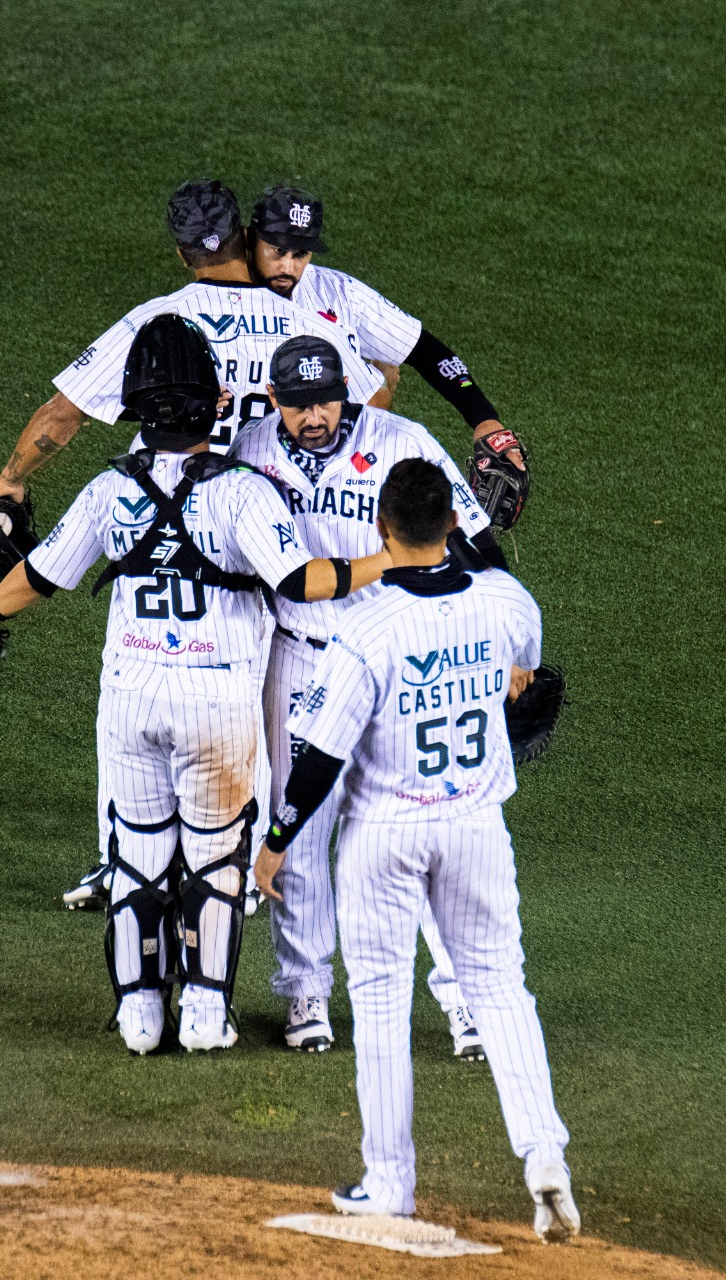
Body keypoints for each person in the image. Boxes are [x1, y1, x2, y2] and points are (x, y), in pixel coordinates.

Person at [0, 315, 390, 1056]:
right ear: (219, 401)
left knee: (136, 857)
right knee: (216, 864)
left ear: (134, 407)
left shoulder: (106, 490)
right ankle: (205, 1016)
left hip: (129, 695)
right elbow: (301, 581)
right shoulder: (244, 493)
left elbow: (38, 576)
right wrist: (390, 561)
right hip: (216, 702)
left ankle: (139, 1018)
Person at [0, 179, 388, 909]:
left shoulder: (161, 316)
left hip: (159, 516)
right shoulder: (296, 319)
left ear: (181, 249)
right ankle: (240, 873)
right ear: (245, 242)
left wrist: (9, 480)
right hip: (265, 524)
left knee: (129, 697)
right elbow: (368, 394)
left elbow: (62, 416)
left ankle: (121, 864)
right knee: (244, 696)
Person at [254, 458, 579, 1242]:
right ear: (454, 526)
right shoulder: (507, 602)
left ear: (379, 529)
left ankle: (389, 1181)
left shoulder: (364, 630)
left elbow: (319, 759)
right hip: (474, 827)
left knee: (378, 1001)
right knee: (501, 990)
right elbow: (521, 676)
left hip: (384, 836)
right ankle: (544, 1159)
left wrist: (275, 842)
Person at [229, 334, 506, 1058]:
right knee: (302, 833)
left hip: (391, 660)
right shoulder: (250, 444)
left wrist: (505, 631)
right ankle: (305, 995)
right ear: (275, 400)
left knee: (423, 823)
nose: (311, 416)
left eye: (323, 400)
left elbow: (472, 539)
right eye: (295, 404)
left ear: (347, 391)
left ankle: (466, 1004)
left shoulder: (399, 441)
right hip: (296, 658)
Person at [246, 185, 526, 471]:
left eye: (300, 254)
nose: (288, 267)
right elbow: (374, 403)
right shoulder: (214, 304)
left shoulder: (336, 291)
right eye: (278, 251)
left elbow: (427, 352)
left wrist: (484, 419)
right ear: (250, 238)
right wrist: (378, 382)